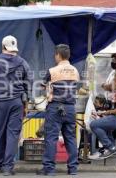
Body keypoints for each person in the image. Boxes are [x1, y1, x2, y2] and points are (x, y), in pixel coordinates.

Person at [0, 35, 33, 176]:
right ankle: (8, 167)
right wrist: (26, 99)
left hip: (1, 102)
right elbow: (29, 82)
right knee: (12, 134)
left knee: (0, 134)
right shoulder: (23, 62)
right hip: (17, 102)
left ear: (3, 47)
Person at [36, 44, 80, 176]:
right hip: (71, 108)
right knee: (70, 138)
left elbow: (44, 85)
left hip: (55, 107)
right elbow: (75, 87)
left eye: (55, 55)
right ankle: (73, 169)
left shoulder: (52, 71)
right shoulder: (75, 71)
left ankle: (49, 169)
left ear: (58, 55)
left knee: (51, 138)